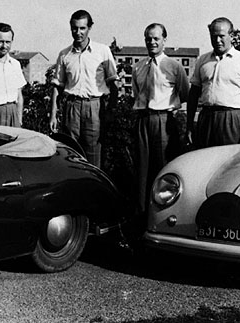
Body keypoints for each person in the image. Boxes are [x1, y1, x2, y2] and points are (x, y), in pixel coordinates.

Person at [49, 9, 119, 167]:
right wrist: (53, 115)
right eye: (75, 28)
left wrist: (110, 111)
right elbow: (57, 87)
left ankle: (93, 189)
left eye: (82, 28)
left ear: (89, 28)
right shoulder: (64, 54)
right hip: (71, 107)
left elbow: (114, 85)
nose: (78, 32)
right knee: (71, 151)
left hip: (94, 107)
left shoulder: (102, 51)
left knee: (93, 152)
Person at [132, 23, 189, 211]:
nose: (152, 42)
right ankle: (141, 214)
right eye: (148, 38)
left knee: (163, 168)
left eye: (156, 38)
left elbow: (185, 93)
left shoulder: (174, 66)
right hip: (143, 121)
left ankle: (164, 212)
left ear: (165, 40)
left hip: (164, 121)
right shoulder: (138, 67)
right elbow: (136, 94)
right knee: (141, 170)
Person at [187, 17, 240, 148]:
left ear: (231, 35)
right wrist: (189, 125)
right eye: (213, 36)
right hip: (206, 118)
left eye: (222, 36)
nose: (217, 41)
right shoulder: (202, 60)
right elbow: (193, 95)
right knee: (204, 160)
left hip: (231, 119)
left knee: (230, 162)